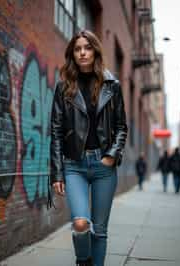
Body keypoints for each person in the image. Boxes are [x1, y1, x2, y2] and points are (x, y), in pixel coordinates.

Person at [50, 30, 128, 266]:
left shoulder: (111, 85)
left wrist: (112, 156)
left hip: (104, 165)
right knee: (81, 224)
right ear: (72, 54)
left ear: (95, 51)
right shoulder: (64, 88)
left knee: (100, 230)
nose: (83, 52)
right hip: (74, 165)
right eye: (77, 48)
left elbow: (121, 126)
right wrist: (57, 172)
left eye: (88, 47)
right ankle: (83, 261)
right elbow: (55, 131)